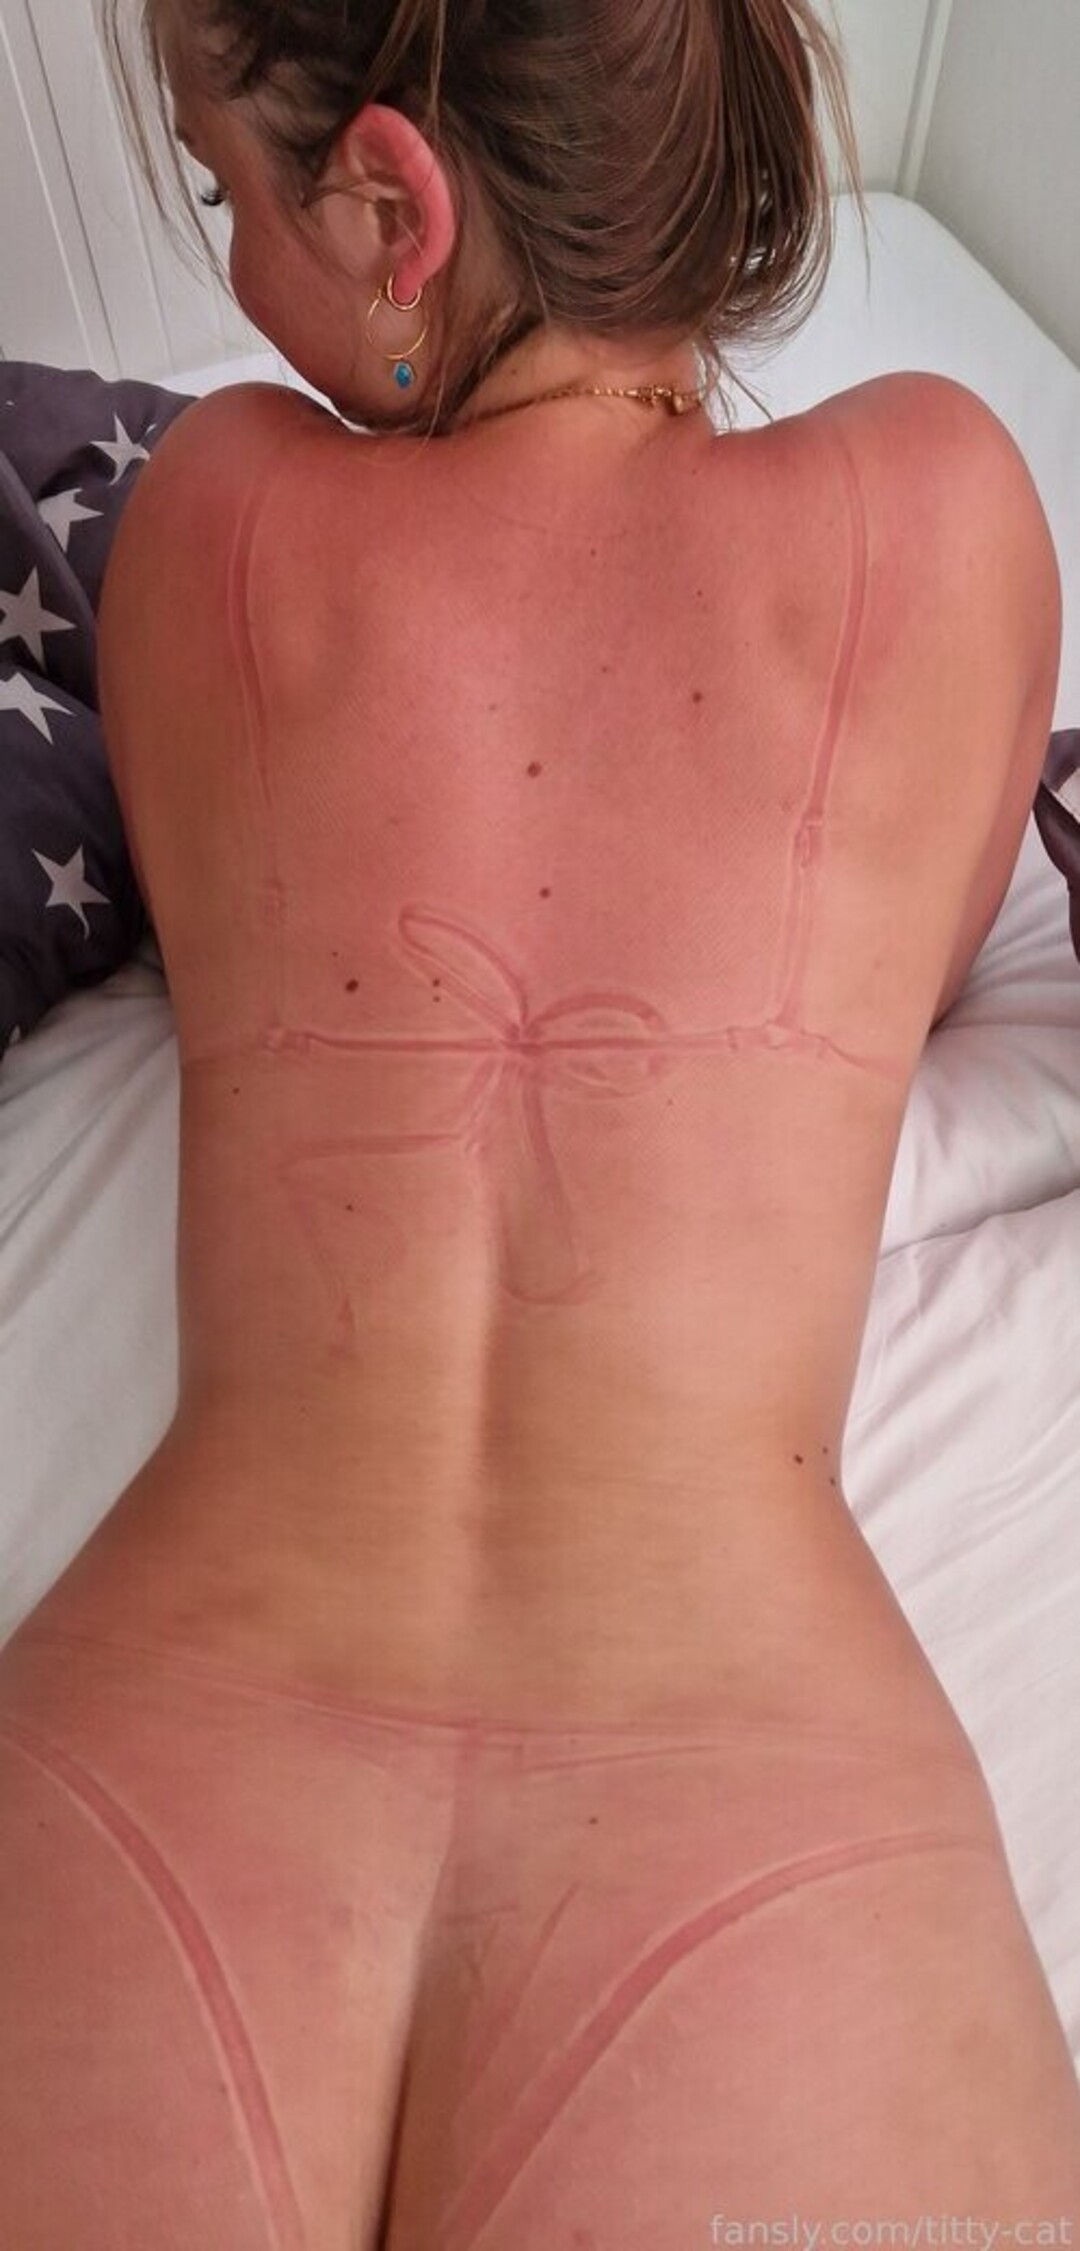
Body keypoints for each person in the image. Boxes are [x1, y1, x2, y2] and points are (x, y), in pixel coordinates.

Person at [1, 0, 1078, 2240]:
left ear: (390, 204)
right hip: (757, 1771)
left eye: (224, 190)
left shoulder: (209, 523)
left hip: (165, 1737)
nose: (227, 269)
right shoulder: (948, 514)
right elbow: (923, 950)